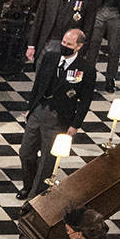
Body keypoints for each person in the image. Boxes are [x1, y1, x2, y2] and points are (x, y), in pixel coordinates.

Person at [18, 29, 96, 201]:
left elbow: (85, 100)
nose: (64, 46)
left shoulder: (86, 69)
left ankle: (34, 198)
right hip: (39, 111)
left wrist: (75, 125)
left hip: (59, 118)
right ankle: (28, 184)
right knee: (26, 152)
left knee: (47, 159)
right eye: (63, 42)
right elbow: (38, 84)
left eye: (69, 44)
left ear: (79, 46)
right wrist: (30, 108)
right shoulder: (50, 57)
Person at [26, 0, 95, 63]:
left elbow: (88, 26)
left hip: (70, 47)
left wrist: (81, 52)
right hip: (47, 41)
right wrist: (31, 45)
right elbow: (39, 19)